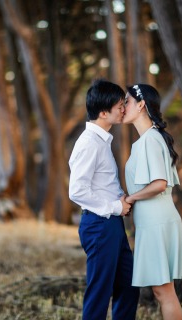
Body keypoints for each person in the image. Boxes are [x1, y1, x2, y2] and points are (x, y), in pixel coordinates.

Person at [69, 79, 140, 320]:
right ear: (102, 112)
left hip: (111, 223)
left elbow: (100, 183)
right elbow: (77, 190)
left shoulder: (102, 141)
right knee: (99, 292)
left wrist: (119, 198)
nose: (123, 109)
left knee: (129, 285)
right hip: (99, 224)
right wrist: (114, 206)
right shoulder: (89, 143)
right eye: (119, 105)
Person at [122, 83, 182, 320]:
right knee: (163, 291)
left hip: (157, 222)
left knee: (163, 292)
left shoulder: (150, 139)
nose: (123, 106)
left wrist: (130, 198)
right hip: (154, 221)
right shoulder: (148, 139)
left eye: (126, 101)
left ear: (141, 105)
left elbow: (159, 184)